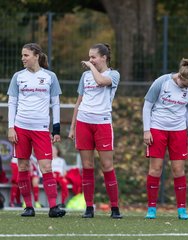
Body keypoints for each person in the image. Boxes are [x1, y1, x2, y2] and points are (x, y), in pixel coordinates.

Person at [7, 43, 66, 217]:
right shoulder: (18, 76)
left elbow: (55, 104)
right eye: (22, 55)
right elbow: (12, 103)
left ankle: (53, 207)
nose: (22, 58)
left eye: (26, 55)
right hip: (21, 127)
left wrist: (56, 130)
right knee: (23, 166)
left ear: (36, 56)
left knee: (46, 167)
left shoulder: (50, 77)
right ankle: (28, 207)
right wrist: (11, 127)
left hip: (41, 129)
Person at [68, 43, 122, 219]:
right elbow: (79, 102)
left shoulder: (113, 74)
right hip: (84, 122)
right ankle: (89, 207)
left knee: (107, 166)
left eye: (93, 57)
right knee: (87, 166)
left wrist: (91, 66)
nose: (90, 60)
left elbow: (100, 81)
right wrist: (73, 126)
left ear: (104, 58)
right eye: (89, 57)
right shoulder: (85, 76)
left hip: (103, 123)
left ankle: (115, 208)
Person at [143, 58, 188, 220]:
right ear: (179, 77)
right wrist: (147, 130)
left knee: (178, 170)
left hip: (179, 131)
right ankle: (151, 208)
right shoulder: (162, 82)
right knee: (155, 169)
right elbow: (147, 106)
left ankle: (182, 209)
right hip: (157, 129)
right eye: (185, 85)